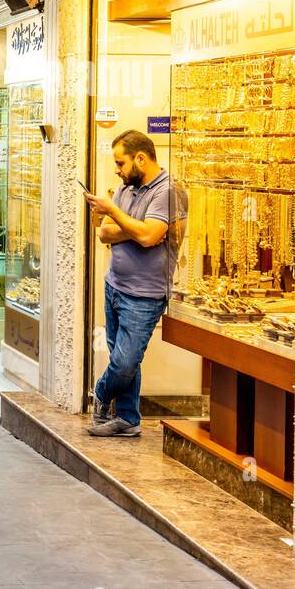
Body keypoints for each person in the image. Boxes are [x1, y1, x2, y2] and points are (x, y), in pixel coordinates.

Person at [83, 129, 185, 438]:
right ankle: (128, 418)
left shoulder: (168, 191)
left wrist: (115, 213)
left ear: (140, 158)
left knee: (125, 362)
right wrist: (138, 229)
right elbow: (104, 232)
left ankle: (100, 394)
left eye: (120, 163)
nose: (117, 170)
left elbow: (148, 236)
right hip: (114, 284)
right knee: (122, 357)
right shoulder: (128, 187)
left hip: (145, 294)